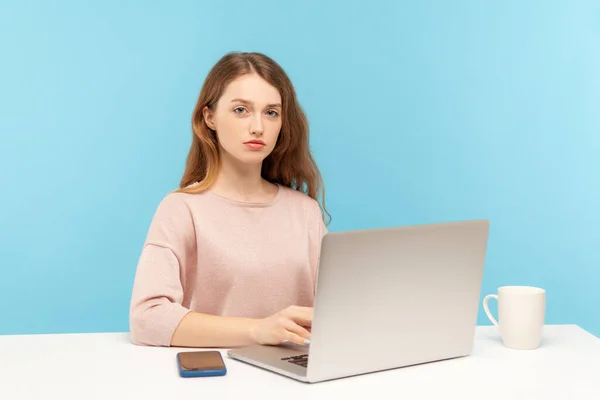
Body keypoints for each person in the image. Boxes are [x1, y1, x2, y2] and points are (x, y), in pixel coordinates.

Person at [129, 51, 330, 348]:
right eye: (241, 110)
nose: (258, 127)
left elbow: (338, 311)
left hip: (297, 377)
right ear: (209, 117)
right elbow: (147, 317)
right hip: (219, 377)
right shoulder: (182, 208)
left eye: (271, 112)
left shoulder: (305, 211)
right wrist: (258, 330)